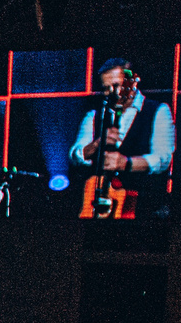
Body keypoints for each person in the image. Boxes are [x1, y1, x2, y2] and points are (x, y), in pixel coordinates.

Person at [69, 58, 173, 217]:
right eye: (106, 88)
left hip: (142, 208)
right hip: (100, 208)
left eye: (116, 85)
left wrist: (126, 163)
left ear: (132, 82)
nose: (112, 92)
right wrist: (97, 144)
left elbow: (162, 159)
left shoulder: (158, 110)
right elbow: (75, 155)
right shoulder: (95, 115)